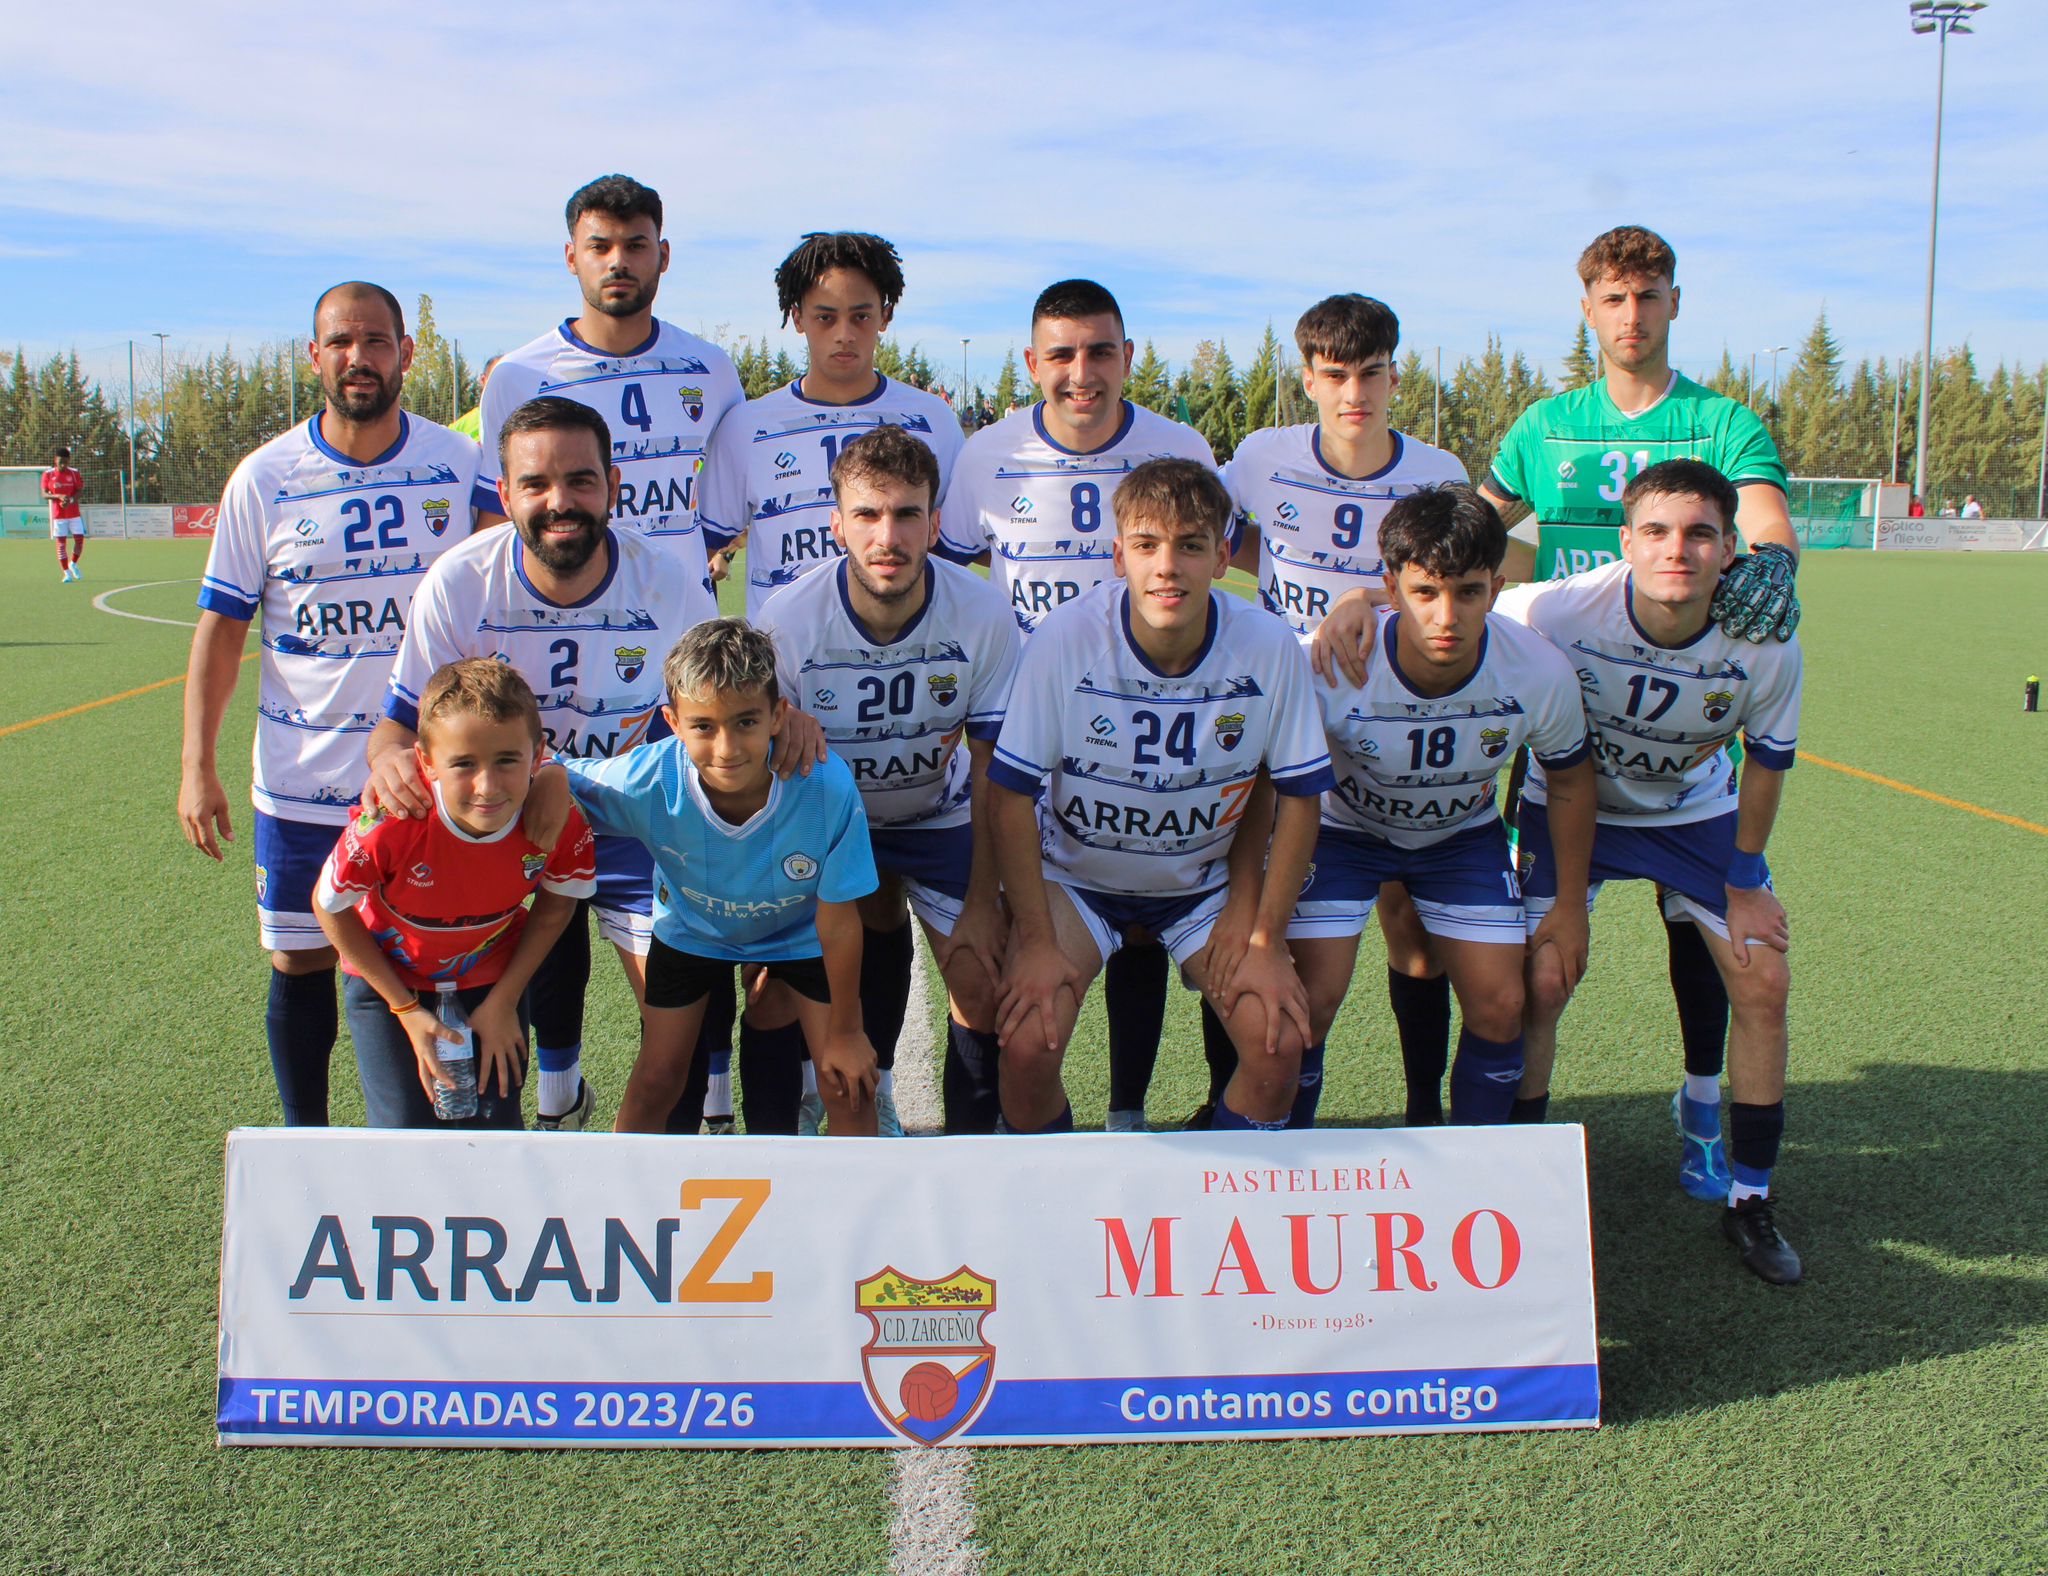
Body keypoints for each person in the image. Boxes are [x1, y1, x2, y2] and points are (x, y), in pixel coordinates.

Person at [1314, 225, 1803, 1147]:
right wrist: (1361, 595)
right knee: (1530, 947)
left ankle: (1703, 1097)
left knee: (1695, 920)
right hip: (1554, 686)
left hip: (1673, 692)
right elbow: (1460, 538)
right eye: (1614, 299)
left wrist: (1774, 559)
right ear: (1588, 311)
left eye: (1649, 296)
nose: (1632, 315)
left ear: (1674, 304)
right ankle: (1511, 1146)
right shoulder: (1544, 427)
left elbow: (1767, 518)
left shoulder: (1724, 422)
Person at [365, 396, 745, 1130]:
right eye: (535, 485)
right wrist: (391, 769)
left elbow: (716, 725)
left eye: (580, 481)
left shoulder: (667, 581)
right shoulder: (458, 581)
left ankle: (659, 1184)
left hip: (638, 828)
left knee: (677, 1039)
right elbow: (393, 732)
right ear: (502, 494)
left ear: (613, 486)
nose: (559, 502)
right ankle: (554, 1101)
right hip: (505, 832)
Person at [469, 173, 745, 1128]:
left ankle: (709, 1098)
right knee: (551, 866)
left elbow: (723, 512)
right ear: (573, 256)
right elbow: (490, 518)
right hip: (549, 639)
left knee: (676, 902)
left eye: (637, 244)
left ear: (662, 254)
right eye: (602, 245)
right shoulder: (517, 373)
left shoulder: (711, 368)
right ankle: (558, 1083)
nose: (620, 261)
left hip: (672, 650)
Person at [178, 281, 484, 1127]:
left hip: (432, 783)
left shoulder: (460, 470)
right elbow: (223, 631)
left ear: (405, 354)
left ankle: (451, 1153)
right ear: (314, 357)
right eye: (341, 342)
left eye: (377, 341)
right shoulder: (266, 478)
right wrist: (195, 765)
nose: (360, 357)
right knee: (301, 963)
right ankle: (304, 1147)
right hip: (303, 779)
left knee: (437, 965)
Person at [1499, 459, 1804, 1283]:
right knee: (1541, 979)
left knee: (1762, 977)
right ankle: (1522, 1172)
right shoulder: (1557, 608)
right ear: (1626, 542)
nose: (1680, 551)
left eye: (1701, 534)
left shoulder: (1766, 642)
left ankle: (1750, 1195)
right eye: (1659, 533)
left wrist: (1744, 878)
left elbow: (1768, 766)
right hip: (1572, 808)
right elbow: (1450, 608)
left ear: (1731, 548)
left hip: (1692, 812)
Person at [938, 279, 1220, 1133]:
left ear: (1128, 357)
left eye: (1101, 351)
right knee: (1024, 942)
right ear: (1032, 364)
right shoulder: (985, 454)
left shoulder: (1181, 446)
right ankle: (989, 1136)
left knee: (1143, 922)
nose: (1082, 373)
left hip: (1156, 732)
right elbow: (954, 583)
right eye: (1061, 354)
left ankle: (1129, 1112)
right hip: (1026, 741)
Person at [986, 458, 1334, 1134]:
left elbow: (1297, 796)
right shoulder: (1065, 639)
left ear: (1224, 556)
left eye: (1191, 545)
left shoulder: (1267, 646)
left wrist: (1261, 931)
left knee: (1276, 1045)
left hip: (1201, 883)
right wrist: (1032, 938)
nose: (1167, 566)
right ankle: (1050, 1209)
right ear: (1120, 556)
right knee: (1027, 1040)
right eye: (1147, 545)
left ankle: (1213, 1203)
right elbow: (1008, 796)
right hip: (1078, 879)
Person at [1221, 292, 1468, 1125]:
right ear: (1308, 379)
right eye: (1336, 376)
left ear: (1396, 374)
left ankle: (1424, 1112)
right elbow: (1218, 538)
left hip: (1398, 723)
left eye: (1370, 373)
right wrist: (1281, 578)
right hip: (1284, 726)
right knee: (1263, 927)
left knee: (1415, 931)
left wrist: (1364, 595)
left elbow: (1458, 586)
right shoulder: (1260, 455)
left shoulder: (1438, 473)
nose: (1354, 393)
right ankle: (1268, 1110)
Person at [1290, 485, 1596, 1128]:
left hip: (1460, 837)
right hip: (1344, 833)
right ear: (1391, 588)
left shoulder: (1535, 669)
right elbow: (1277, 783)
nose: (1447, 616)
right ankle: (1284, 1162)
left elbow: (1569, 780)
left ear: (1497, 585)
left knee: (1500, 1003)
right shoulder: (1330, 660)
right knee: (1308, 1001)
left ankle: (1473, 1167)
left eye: (1468, 592)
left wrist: (1569, 907)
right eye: (1425, 593)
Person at [759, 425, 1021, 1136]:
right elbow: (752, 757)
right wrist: (783, 722)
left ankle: (971, 1155)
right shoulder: (787, 620)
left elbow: (995, 767)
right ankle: (806, 1132)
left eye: (907, 514)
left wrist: (978, 904)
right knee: (783, 989)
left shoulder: (984, 614)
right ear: (837, 524)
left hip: (940, 816)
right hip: (836, 822)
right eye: (868, 515)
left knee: (981, 980)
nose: (888, 536)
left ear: (935, 524)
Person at [554, 621, 881, 1135]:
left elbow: (839, 923)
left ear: (778, 715)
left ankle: (860, 1215)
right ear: (673, 722)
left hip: (798, 938)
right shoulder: (645, 779)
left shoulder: (824, 786)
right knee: (658, 1078)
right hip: (692, 932)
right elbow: (552, 773)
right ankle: (625, 1205)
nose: (726, 748)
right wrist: (544, 777)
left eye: (746, 722)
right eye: (703, 726)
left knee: (848, 1086)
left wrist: (848, 1029)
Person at [315, 659, 595, 1128]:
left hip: (491, 981)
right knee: (402, 1132)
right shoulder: (393, 819)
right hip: (390, 982)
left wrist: (505, 1000)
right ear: (425, 761)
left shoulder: (558, 820)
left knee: (496, 1129)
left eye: (508, 760)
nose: (487, 786)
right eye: (463, 764)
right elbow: (329, 907)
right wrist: (404, 1009)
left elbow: (556, 908)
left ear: (538, 752)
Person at [699, 231, 965, 623]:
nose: (844, 334)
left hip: (902, 666)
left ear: (884, 315)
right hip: (783, 668)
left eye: (860, 316)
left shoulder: (932, 419)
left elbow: (954, 549)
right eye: (826, 317)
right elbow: (702, 549)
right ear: (797, 317)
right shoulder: (746, 426)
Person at [43, 447, 85, 582]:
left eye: (66, 462)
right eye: (61, 462)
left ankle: (73, 563)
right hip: (59, 515)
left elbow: (79, 491)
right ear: (55, 460)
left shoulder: (74, 473)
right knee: (61, 543)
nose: (63, 465)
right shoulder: (48, 474)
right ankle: (66, 573)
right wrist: (58, 496)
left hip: (74, 513)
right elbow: (44, 494)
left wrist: (71, 500)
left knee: (79, 540)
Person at [449, 356, 502, 441]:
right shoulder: (461, 427)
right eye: (496, 378)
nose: (502, 384)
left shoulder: (524, 419)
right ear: (483, 380)